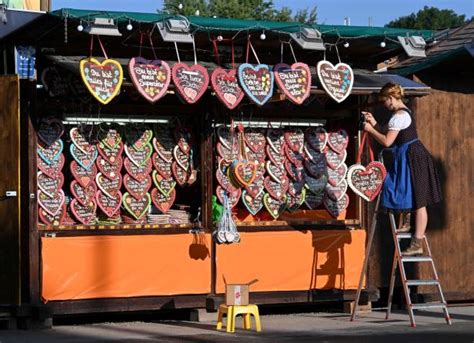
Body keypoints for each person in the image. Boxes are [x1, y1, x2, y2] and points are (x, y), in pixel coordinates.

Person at [362, 82, 442, 256]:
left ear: (391, 98)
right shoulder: (401, 114)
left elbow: (387, 141)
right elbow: (388, 132)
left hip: (414, 157)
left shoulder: (399, 115)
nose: (384, 104)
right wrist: (374, 122)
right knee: (405, 191)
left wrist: (369, 130)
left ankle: (417, 242)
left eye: (384, 101)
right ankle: (407, 221)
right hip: (408, 156)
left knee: (420, 201)